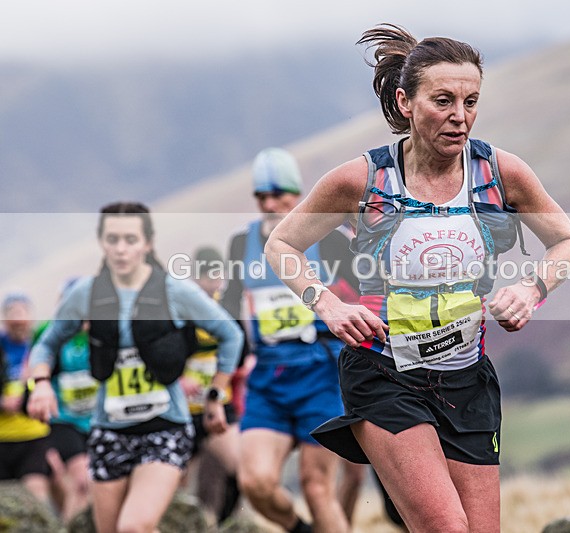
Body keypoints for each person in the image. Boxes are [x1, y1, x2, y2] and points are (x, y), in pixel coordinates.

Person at [264, 24, 570, 532]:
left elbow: (568, 241)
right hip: (383, 372)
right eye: (443, 100)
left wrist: (531, 289)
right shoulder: (362, 180)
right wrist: (325, 303)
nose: (460, 117)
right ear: (405, 102)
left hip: (467, 379)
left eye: (471, 101)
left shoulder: (500, 174)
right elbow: (281, 244)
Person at [26, 202, 244, 533]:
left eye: (130, 239)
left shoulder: (175, 291)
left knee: (134, 527)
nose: (121, 248)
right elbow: (48, 342)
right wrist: (40, 382)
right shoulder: (87, 293)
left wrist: (216, 393)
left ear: (148, 242)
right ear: (102, 242)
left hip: (165, 428)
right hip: (109, 431)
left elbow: (230, 334)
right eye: (112, 239)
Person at [221, 148, 363, 533]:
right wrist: (223, 376)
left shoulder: (328, 239)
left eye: (279, 194)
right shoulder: (241, 245)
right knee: (255, 483)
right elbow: (231, 315)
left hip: (321, 371)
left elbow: (368, 293)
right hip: (267, 376)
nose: (270, 203)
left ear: (297, 193)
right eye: (261, 196)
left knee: (317, 487)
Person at [180, 246, 243, 524]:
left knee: (242, 469)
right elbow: (164, 353)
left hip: (218, 404)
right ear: (196, 278)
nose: (214, 281)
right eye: (208, 275)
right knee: (175, 482)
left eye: (218, 274)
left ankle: (221, 522)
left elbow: (242, 348)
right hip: (183, 410)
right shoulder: (182, 311)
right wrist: (179, 377)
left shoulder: (227, 308)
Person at [30, 278, 97, 522]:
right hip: (64, 421)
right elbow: (34, 381)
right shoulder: (52, 337)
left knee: (90, 487)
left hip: (97, 421)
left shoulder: (103, 334)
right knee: (83, 482)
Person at [0, 292, 52, 505]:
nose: (18, 320)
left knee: (36, 495)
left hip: (34, 435)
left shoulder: (40, 346)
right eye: (12, 314)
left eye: (22, 313)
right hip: (3, 437)